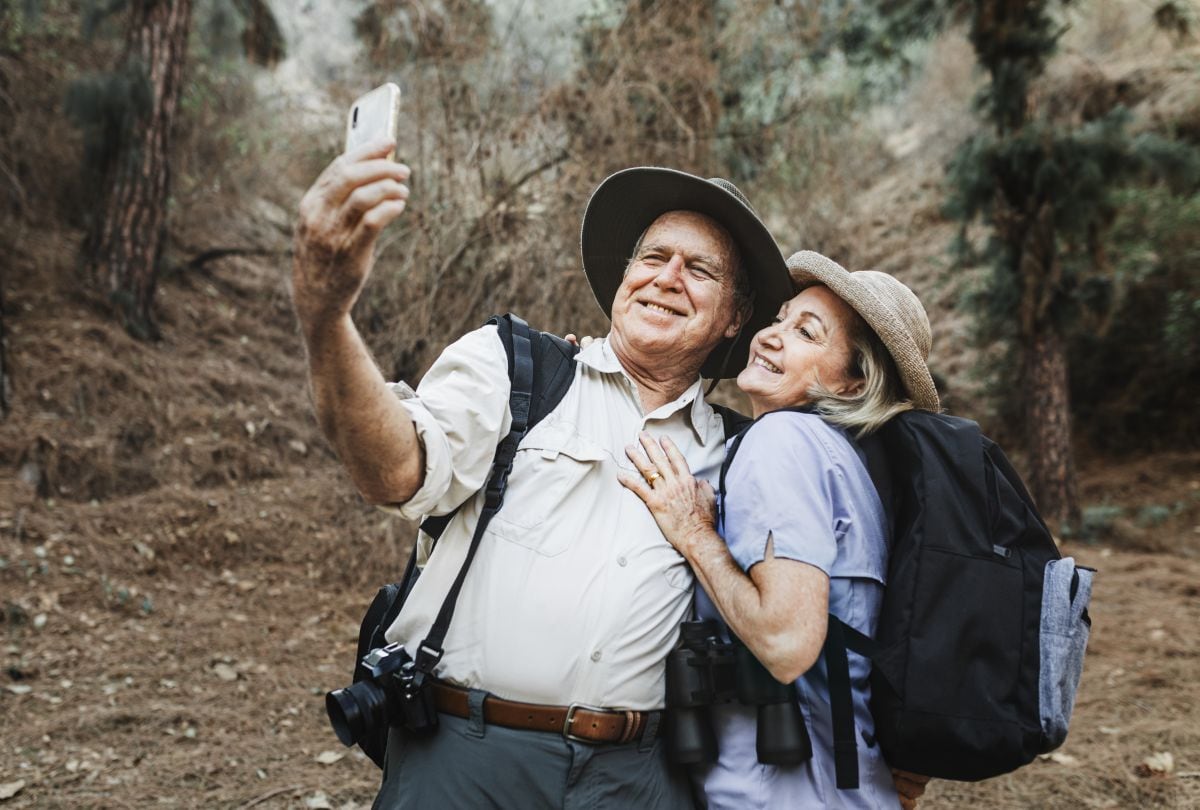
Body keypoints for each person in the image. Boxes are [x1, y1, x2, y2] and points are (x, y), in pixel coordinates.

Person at [290, 138, 794, 808]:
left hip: (644, 778)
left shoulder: (744, 454)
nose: (667, 277)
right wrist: (327, 317)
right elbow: (392, 470)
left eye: (699, 269)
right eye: (652, 257)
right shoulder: (518, 368)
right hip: (466, 761)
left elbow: (804, 612)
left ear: (735, 315)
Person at [619, 249, 939, 809]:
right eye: (780, 318)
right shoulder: (848, 464)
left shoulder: (782, 443)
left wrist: (694, 533)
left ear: (850, 383)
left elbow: (786, 644)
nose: (770, 335)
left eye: (806, 333)